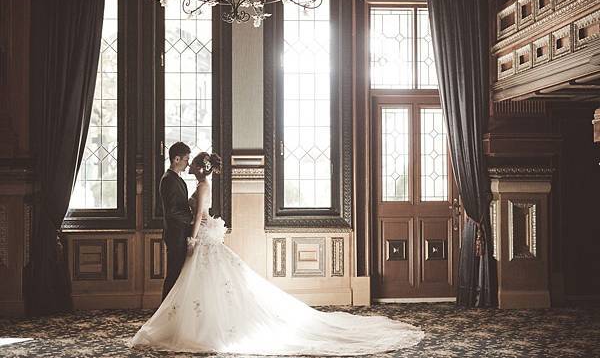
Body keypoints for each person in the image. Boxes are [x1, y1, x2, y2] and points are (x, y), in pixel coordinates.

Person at [130, 151, 424, 355]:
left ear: (200, 168)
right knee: (201, 286)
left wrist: (193, 237)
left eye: (195, 164)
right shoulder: (197, 183)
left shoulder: (204, 186)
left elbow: (199, 216)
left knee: (210, 285)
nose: (192, 167)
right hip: (203, 239)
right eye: (191, 163)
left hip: (202, 238)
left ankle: (206, 328)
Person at [158, 141, 192, 300]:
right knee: (173, 274)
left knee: (178, 274)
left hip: (180, 233)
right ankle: (164, 312)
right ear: (176, 159)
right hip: (175, 235)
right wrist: (191, 219)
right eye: (186, 159)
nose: (188, 163)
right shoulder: (168, 180)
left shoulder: (176, 179)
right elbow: (172, 211)